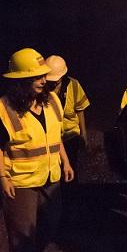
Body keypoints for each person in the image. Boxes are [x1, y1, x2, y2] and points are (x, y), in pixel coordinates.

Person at [0, 48, 75, 252]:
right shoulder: (2, 108)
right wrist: (2, 177)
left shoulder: (52, 101)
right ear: (19, 80)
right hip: (21, 181)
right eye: (36, 76)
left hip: (51, 176)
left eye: (43, 76)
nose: (42, 80)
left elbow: (55, 136)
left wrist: (66, 162)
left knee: (50, 224)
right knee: (22, 235)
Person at [45, 55, 90, 220]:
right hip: (50, 137)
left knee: (71, 171)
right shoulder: (42, 87)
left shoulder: (73, 85)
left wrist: (83, 133)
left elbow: (80, 108)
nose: (53, 82)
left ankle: (70, 207)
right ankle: (53, 206)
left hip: (70, 136)